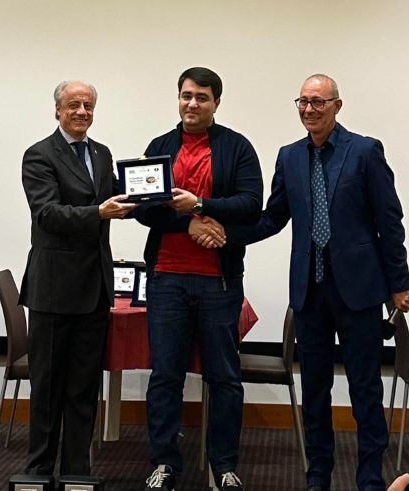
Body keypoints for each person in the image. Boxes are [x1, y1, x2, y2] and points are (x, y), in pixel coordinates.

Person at [207, 74, 409, 490]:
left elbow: (389, 222)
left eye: (318, 102)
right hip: (309, 292)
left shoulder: (365, 151)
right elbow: (272, 218)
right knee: (315, 391)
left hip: (358, 291)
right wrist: (226, 232)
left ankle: (369, 480)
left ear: (337, 106)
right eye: (302, 102)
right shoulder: (289, 157)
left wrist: (399, 282)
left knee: (365, 390)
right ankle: (317, 477)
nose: (309, 110)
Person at [133, 67, 263, 490]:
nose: (192, 103)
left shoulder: (237, 147)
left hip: (218, 283)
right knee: (165, 376)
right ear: (178, 99)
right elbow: (143, 209)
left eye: (202, 97)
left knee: (224, 377)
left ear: (216, 103)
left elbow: (251, 204)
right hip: (166, 279)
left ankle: (223, 465)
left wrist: (201, 204)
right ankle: (164, 463)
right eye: (186, 95)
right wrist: (188, 222)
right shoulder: (160, 147)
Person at [19, 80, 136, 476]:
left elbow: (119, 199)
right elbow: (47, 214)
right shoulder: (39, 155)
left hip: (95, 289)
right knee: (48, 388)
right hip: (53, 291)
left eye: (88, 105)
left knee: (84, 389)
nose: (82, 112)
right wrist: (98, 213)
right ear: (58, 110)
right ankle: (38, 472)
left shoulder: (101, 154)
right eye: (74, 105)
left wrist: (153, 192)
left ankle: (75, 472)